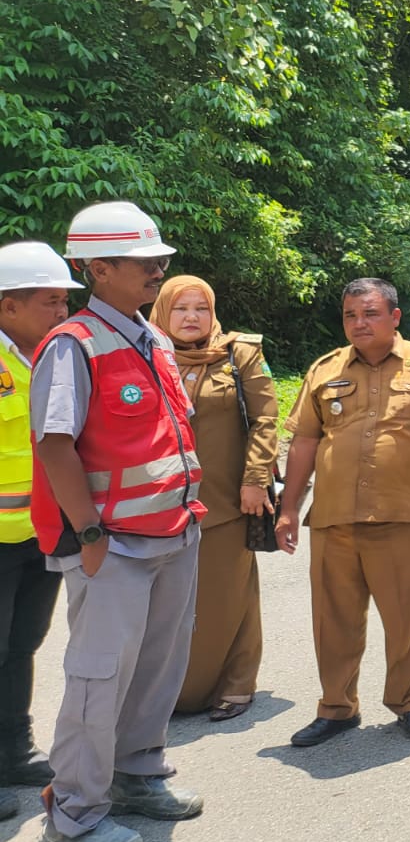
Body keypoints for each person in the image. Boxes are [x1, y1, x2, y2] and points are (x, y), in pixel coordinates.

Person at [31, 202, 207, 842]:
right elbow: (54, 445)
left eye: (159, 259)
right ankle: (73, 815)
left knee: (157, 671)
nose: (158, 270)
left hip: (172, 535)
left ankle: (136, 774)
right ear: (98, 268)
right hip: (115, 546)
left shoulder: (151, 339)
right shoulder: (72, 345)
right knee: (96, 681)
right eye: (143, 262)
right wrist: (90, 533)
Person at [275, 278, 410, 749]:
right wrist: (290, 508)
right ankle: (336, 707)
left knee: (403, 617)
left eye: (370, 313)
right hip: (332, 515)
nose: (359, 323)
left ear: (395, 317)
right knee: (333, 619)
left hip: (400, 513)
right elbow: (305, 440)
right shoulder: (325, 369)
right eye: (350, 315)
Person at [151, 276, 278, 721]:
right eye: (181, 308)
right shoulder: (147, 354)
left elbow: (265, 419)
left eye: (200, 308)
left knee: (230, 595)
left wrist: (256, 480)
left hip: (227, 498)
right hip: (161, 504)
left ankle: (236, 685)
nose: (191, 317)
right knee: (168, 604)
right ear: (163, 311)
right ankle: (174, 690)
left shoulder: (238, 353)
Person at [0, 242, 79, 820]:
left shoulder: (56, 357)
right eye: (50, 301)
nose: (61, 311)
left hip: (40, 534)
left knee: (21, 646)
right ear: (8, 307)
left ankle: (14, 753)